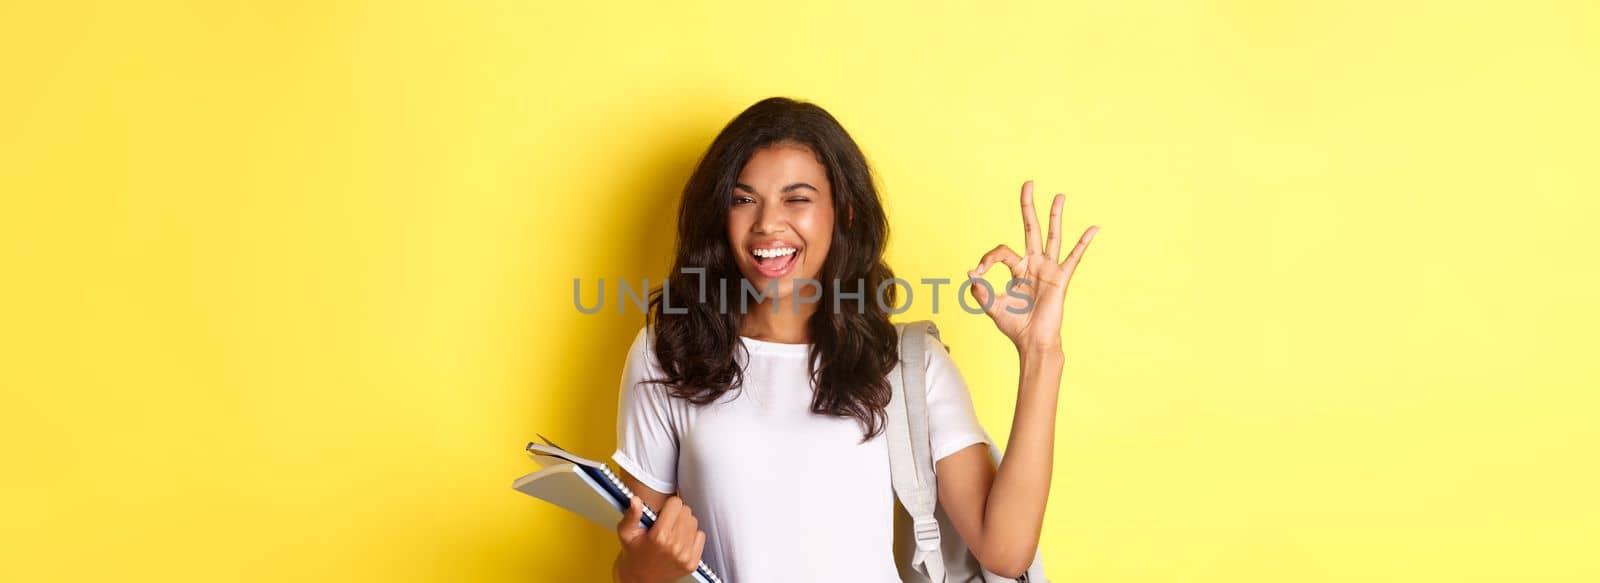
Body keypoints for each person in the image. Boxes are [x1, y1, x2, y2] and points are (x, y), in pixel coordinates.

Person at [608, 97, 1098, 583]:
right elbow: (634, 563)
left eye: (796, 199)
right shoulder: (667, 354)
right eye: (743, 200)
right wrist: (649, 569)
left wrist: (1041, 353)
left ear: (844, 213)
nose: (767, 224)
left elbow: (1005, 552)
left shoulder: (907, 365)